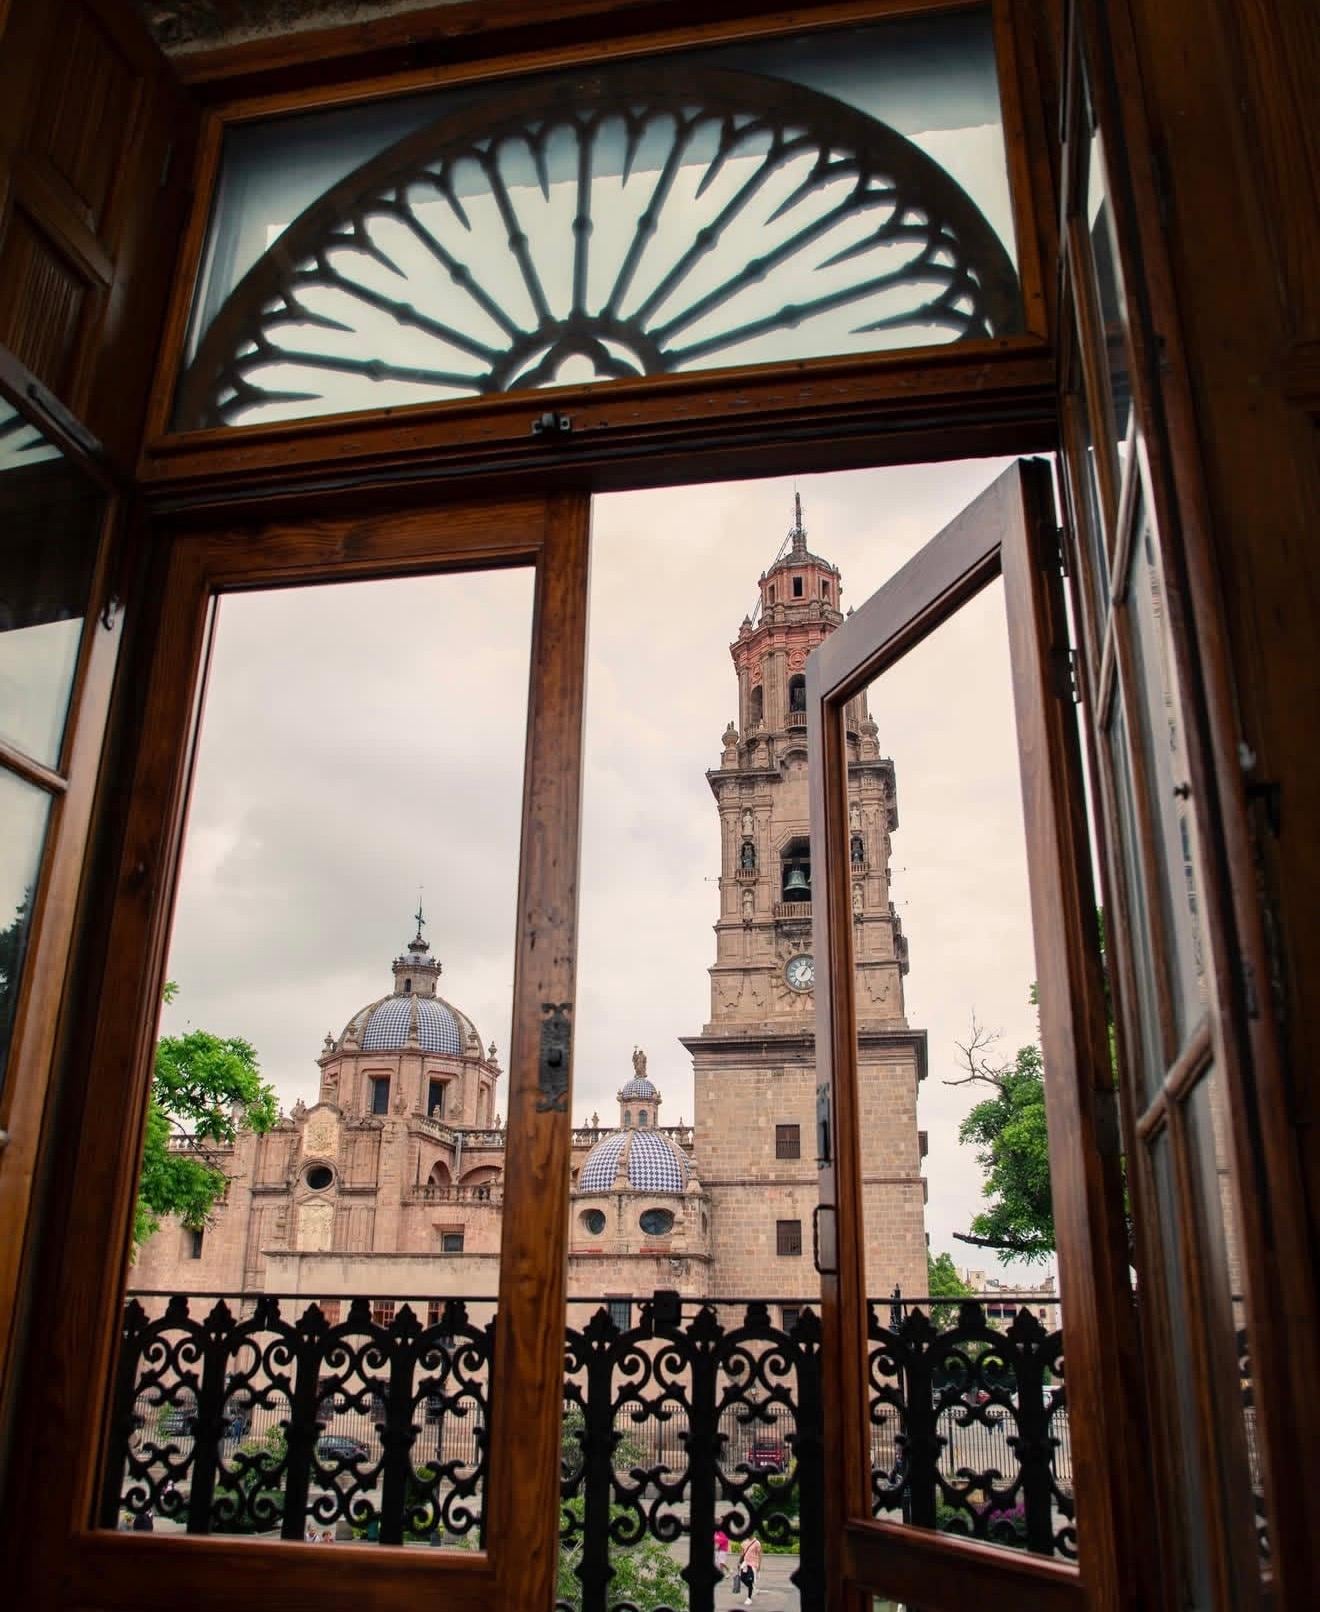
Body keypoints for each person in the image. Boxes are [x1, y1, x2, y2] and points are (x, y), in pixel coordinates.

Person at [738, 1534, 762, 1604]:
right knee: (742, 1578)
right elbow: (742, 1553)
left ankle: (749, 1598)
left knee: (749, 1580)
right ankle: (753, 1588)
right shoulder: (744, 1542)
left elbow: (760, 1555)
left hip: (753, 1564)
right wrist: (739, 1562)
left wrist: (759, 1566)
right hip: (745, 1563)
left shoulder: (757, 1543)